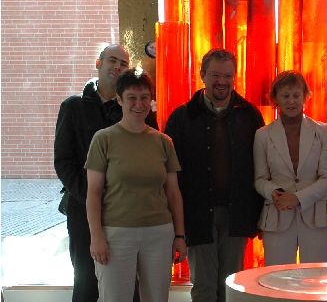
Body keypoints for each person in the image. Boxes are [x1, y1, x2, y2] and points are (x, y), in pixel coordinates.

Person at [54, 44, 154, 302]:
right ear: (99, 64)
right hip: (83, 211)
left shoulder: (134, 108)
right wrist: (92, 197)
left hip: (126, 213)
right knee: (87, 282)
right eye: (112, 60)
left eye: (124, 62)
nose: (118, 66)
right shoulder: (73, 107)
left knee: (127, 284)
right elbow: (63, 162)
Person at [164, 49, 264, 302]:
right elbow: (170, 175)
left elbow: (262, 168)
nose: (222, 81)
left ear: (235, 77)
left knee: (232, 286)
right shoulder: (181, 117)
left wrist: (260, 215)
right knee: (204, 288)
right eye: (215, 75)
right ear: (202, 75)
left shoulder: (250, 115)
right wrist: (177, 224)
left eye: (228, 75)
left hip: (238, 214)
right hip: (197, 215)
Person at [86, 69, 187, 302]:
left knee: (157, 297)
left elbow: (173, 193)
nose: (139, 104)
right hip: (116, 233)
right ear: (119, 99)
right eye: (132, 97)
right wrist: (96, 236)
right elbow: (93, 192)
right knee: (114, 297)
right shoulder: (103, 139)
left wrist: (179, 235)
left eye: (144, 97)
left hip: (159, 233)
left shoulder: (163, 142)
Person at [254, 71, 327, 265]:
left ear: (305, 96)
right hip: (278, 215)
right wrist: (274, 192)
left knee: (317, 281)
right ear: (276, 99)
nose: (291, 101)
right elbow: (260, 179)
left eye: (296, 95)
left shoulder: (321, 131)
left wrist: (298, 198)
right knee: (278, 281)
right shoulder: (263, 135)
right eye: (286, 96)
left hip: (316, 218)